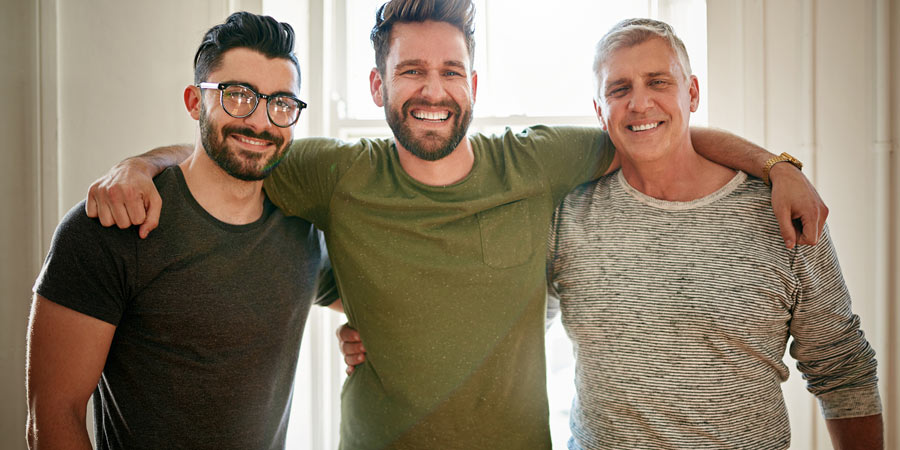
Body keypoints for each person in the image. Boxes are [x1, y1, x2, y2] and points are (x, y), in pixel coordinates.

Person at [84, 1, 829, 448]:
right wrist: (139, 165)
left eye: (450, 71)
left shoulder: (540, 161)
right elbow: (232, 151)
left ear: (475, 84)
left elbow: (661, 131)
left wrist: (779, 164)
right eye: (411, 71)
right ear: (379, 84)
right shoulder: (335, 173)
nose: (431, 90)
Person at [544, 18, 883, 449]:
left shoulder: (779, 211)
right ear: (599, 110)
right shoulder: (568, 215)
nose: (640, 102)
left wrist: (777, 167)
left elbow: (842, 369)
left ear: (692, 93)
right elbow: (518, 343)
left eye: (658, 81)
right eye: (619, 89)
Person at [25, 12, 327, 449]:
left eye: (281, 103)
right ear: (194, 101)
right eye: (238, 95)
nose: (261, 122)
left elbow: (369, 300)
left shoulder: (304, 231)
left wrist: (358, 337)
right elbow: (52, 416)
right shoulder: (109, 227)